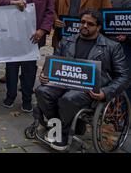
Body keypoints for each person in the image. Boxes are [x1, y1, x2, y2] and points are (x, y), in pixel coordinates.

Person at [36, 9, 129, 150]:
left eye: (90, 24)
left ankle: (63, 132)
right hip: (63, 82)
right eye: (83, 22)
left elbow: (124, 77)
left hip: (90, 89)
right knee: (42, 91)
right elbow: (53, 65)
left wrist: (105, 92)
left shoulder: (112, 47)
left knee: (69, 99)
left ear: (98, 27)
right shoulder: (67, 41)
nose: (85, 26)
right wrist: (45, 75)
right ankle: (59, 124)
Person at [0, 0, 55, 112]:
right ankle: (10, 96)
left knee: (29, 69)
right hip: (13, 35)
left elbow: (50, 12)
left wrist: (43, 30)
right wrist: (13, 2)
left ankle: (27, 99)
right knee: (11, 67)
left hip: (34, 36)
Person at [96, 0, 131, 100]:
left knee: (124, 72)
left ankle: (123, 109)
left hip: (125, 33)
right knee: (103, 68)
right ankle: (102, 103)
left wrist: (128, 32)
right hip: (103, 30)